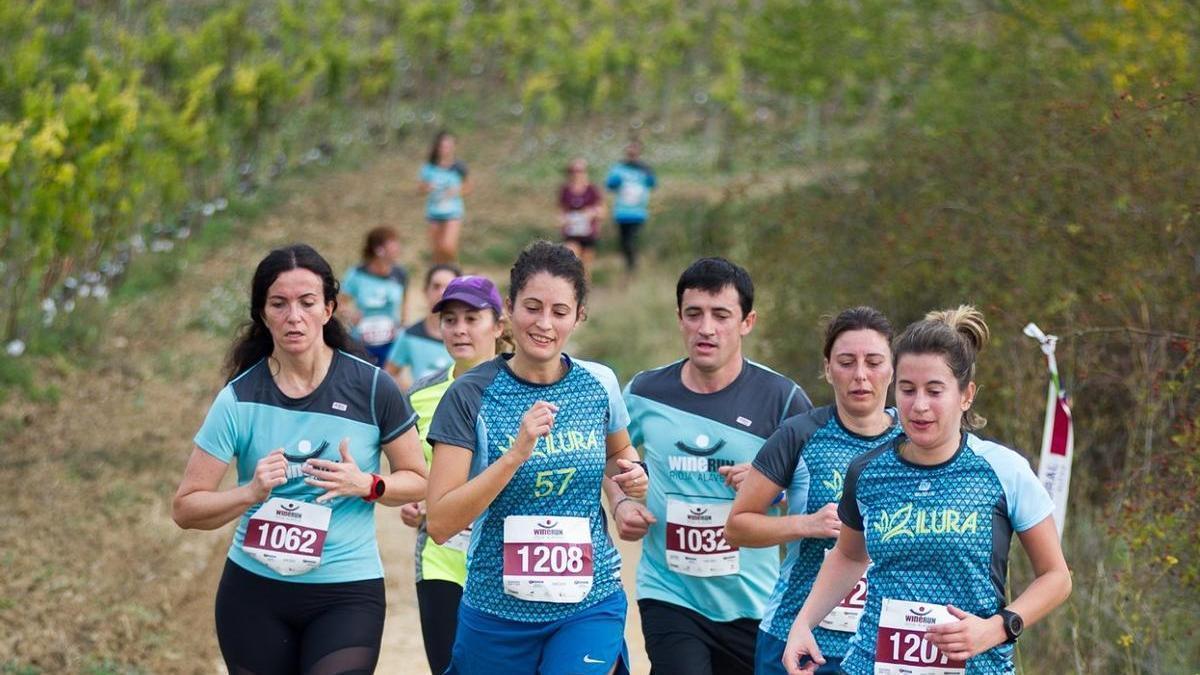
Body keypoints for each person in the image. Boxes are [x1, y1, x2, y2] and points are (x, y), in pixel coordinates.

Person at [171, 244, 429, 675]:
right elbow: (185, 508)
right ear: (262, 314)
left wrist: (368, 485)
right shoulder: (238, 398)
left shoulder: (372, 388)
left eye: (307, 303)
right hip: (254, 596)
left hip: (346, 592)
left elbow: (419, 480)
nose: (294, 317)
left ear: (329, 309)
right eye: (279, 304)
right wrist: (249, 492)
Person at [782, 306, 1072, 675]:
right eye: (907, 389)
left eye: (935, 391)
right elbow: (849, 557)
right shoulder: (868, 471)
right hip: (872, 665)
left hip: (977, 667)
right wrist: (803, 623)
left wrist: (996, 628)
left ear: (966, 395)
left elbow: (1056, 577)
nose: (919, 406)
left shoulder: (1003, 470)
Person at [424, 240, 648, 675]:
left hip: (588, 600)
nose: (544, 324)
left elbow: (619, 452)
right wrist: (514, 455)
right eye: (532, 307)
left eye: (560, 312)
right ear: (509, 308)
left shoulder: (599, 383)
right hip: (497, 609)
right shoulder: (470, 395)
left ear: (579, 315)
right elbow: (440, 522)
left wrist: (632, 477)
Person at [614, 257, 813, 675]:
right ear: (679, 318)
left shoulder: (783, 401)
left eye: (721, 315)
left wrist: (769, 489)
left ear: (747, 321)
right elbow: (612, 456)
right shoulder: (645, 392)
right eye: (694, 314)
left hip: (752, 602)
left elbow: (813, 493)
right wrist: (621, 503)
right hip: (670, 592)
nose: (706, 328)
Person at [725, 307, 903, 675]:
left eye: (873, 362)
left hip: (882, 643)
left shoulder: (913, 440)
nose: (860, 376)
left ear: (892, 369)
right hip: (795, 638)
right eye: (846, 362)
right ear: (827, 368)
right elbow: (737, 526)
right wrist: (807, 524)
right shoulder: (799, 434)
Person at [400, 274, 508, 675]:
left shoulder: (528, 388)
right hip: (442, 559)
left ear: (498, 325)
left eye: (471, 318)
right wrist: (416, 502)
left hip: (508, 563)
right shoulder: (419, 395)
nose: (459, 329)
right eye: (449, 319)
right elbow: (413, 475)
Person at [338, 226, 409, 367]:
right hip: (362, 343)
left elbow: (405, 301)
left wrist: (403, 324)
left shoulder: (400, 273)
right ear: (379, 249)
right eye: (393, 244)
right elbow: (340, 302)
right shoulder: (356, 274)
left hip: (391, 343)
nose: (398, 248)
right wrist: (350, 315)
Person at [386, 263, 462, 390]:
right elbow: (389, 373)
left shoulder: (467, 335)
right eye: (436, 286)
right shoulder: (410, 335)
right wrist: (411, 391)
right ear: (425, 291)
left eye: (448, 287)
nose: (442, 292)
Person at [420, 130, 471, 264]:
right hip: (434, 212)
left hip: (453, 212)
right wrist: (428, 187)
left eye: (448, 145)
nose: (445, 149)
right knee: (436, 250)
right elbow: (420, 188)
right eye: (442, 146)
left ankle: (453, 271)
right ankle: (438, 274)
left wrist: (456, 191)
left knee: (448, 247)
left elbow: (468, 187)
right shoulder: (429, 168)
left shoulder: (459, 167)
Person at [605, 140, 656, 273]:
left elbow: (653, 184)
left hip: (638, 213)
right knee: (623, 243)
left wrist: (648, 173)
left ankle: (632, 268)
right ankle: (629, 266)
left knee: (630, 241)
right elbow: (610, 185)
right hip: (622, 212)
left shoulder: (645, 169)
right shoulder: (619, 168)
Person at [558, 157, 605, 278]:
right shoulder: (565, 190)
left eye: (580, 170)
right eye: (573, 171)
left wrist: (591, 213)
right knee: (572, 262)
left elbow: (602, 211)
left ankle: (584, 294)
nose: (576, 174)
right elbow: (561, 212)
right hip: (572, 233)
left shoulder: (592, 190)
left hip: (588, 233)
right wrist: (563, 221)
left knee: (586, 268)